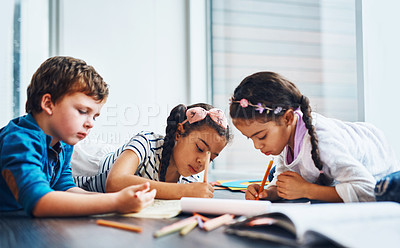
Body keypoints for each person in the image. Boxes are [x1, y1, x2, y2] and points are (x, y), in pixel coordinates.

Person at [0, 56, 156, 217]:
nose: (90, 123)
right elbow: (40, 202)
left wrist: (122, 199)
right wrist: (115, 202)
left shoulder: (63, 143)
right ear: (48, 103)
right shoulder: (19, 141)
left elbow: (64, 186)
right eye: (83, 111)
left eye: (94, 116)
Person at [229, 71, 400, 202]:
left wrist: (307, 190)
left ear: (288, 118)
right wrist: (269, 192)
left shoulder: (322, 141)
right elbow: (285, 176)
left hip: (381, 169)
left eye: (261, 136)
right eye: (250, 138)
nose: (257, 146)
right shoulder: (284, 138)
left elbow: (368, 189)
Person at [72, 103, 231, 199]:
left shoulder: (190, 179)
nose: (203, 161)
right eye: (200, 148)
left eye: (211, 158)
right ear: (179, 132)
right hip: (84, 164)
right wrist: (184, 191)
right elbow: (114, 183)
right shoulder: (147, 142)